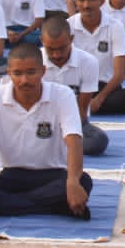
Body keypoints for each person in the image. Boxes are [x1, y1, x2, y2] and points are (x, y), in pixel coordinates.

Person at [0, 44, 91, 220]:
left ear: (43, 71)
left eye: (31, 72)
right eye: (17, 74)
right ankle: (53, 207)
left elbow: (74, 142)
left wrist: (72, 183)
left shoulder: (63, 95)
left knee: (83, 181)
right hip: (12, 176)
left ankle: (17, 205)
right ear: (9, 73)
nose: (24, 80)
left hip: (53, 174)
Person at [40, 16, 108, 156]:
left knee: (98, 140)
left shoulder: (88, 62)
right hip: (41, 121)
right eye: (50, 49)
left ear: (71, 39)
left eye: (62, 48)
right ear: (42, 41)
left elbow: (82, 111)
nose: (57, 55)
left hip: (74, 122)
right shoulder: (34, 61)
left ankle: (50, 146)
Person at [68, 0, 125, 115]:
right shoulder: (68, 26)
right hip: (77, 85)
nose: (86, 5)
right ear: (76, 2)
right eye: (82, 0)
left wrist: (99, 99)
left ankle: (81, 108)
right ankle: (84, 107)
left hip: (103, 85)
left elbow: (119, 74)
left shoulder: (115, 26)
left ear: (101, 1)